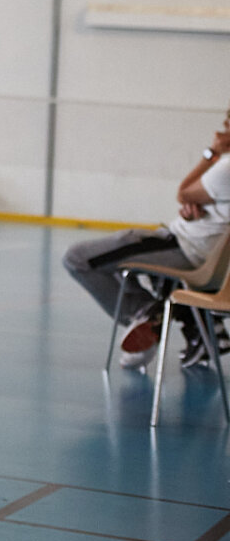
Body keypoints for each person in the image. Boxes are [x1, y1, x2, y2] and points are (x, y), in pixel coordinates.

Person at [64, 116, 230, 369]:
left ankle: (146, 313)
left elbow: (183, 192)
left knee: (77, 259)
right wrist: (195, 206)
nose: (221, 131)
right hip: (205, 253)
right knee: (117, 263)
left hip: (183, 246)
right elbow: (200, 201)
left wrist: (212, 153)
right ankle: (167, 322)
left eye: (227, 124)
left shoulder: (226, 167)